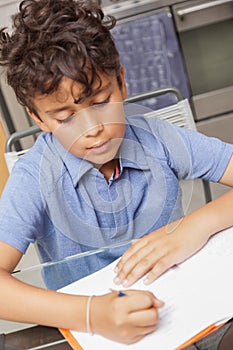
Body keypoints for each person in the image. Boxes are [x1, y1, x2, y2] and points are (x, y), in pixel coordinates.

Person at [0, 0, 232, 347]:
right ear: (39, 119)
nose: (92, 129)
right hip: (93, 333)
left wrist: (195, 226)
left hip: (187, 314)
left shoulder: (160, 139)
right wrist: (91, 315)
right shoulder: (33, 178)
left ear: (121, 82)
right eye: (65, 117)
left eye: (99, 102)